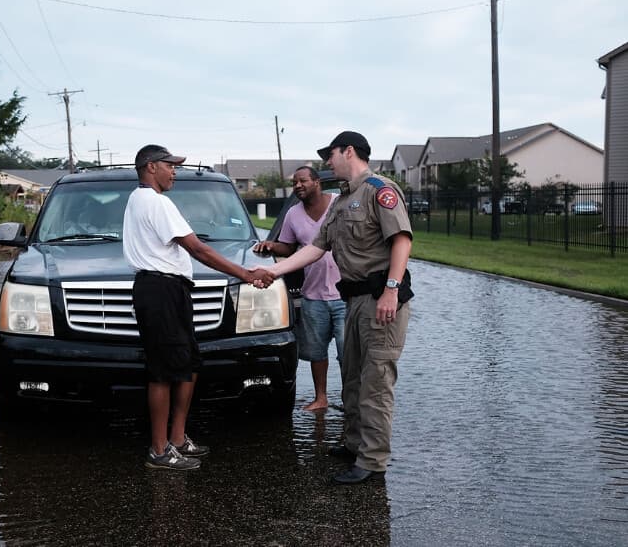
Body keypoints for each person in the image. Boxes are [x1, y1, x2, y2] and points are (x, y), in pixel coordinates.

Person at [259, 131, 413, 485]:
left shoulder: (379, 190)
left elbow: (401, 240)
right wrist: (272, 270)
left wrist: (391, 289)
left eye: (330, 155)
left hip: (381, 300)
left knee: (376, 381)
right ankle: (355, 443)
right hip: (354, 299)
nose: (327, 162)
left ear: (349, 151)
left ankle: (372, 461)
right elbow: (315, 248)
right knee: (354, 378)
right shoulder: (342, 202)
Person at [123, 144, 274, 471]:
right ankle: (159, 450)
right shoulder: (154, 201)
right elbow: (198, 249)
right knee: (162, 372)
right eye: (169, 165)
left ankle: (177, 438)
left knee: (188, 363)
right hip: (160, 289)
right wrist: (246, 274)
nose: (174, 171)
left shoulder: (139, 200)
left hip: (170, 289)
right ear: (151, 167)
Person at [253, 166, 345, 412]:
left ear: (317, 182)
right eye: (294, 182)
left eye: (302, 180)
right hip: (313, 293)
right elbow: (288, 247)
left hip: (345, 293)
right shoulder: (293, 214)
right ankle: (321, 397)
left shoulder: (339, 204)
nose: (297, 185)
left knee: (348, 354)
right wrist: (271, 246)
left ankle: (352, 399)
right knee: (316, 352)